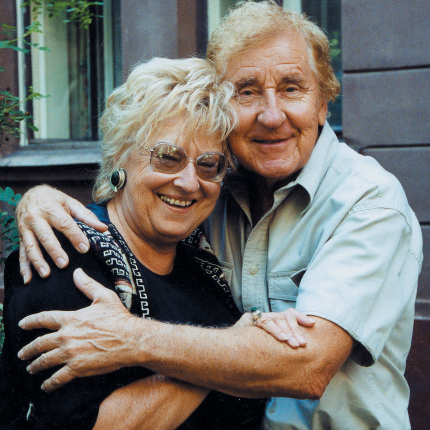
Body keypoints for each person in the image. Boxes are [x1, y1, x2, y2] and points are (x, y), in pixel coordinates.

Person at [12, 1, 423, 429]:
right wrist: (36, 198)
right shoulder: (210, 195)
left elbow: (307, 367)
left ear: (323, 104)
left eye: (291, 88)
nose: (271, 115)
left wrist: (130, 338)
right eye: (247, 91)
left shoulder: (368, 203)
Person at [0, 56, 314, 430]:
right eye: (167, 157)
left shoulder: (203, 261)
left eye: (209, 164)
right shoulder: (64, 255)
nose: (189, 182)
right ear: (120, 154)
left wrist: (236, 351)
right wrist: (231, 355)